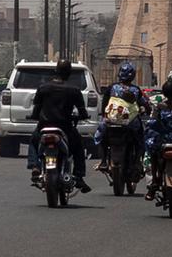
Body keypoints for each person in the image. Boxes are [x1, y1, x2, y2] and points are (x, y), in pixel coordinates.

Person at [29, 56, 90, 192]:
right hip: (65, 128)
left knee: (33, 141)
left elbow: (36, 110)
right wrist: (82, 116)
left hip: (44, 127)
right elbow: (82, 112)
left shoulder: (43, 88)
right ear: (69, 73)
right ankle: (79, 176)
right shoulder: (74, 90)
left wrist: (34, 117)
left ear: (56, 71)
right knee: (79, 147)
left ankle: (34, 166)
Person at [99, 60, 152, 187]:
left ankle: (103, 161)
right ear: (132, 76)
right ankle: (138, 162)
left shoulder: (112, 87)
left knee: (102, 136)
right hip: (130, 125)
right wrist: (146, 110)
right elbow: (144, 104)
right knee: (141, 140)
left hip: (111, 122)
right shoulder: (136, 90)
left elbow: (104, 104)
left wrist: (105, 116)